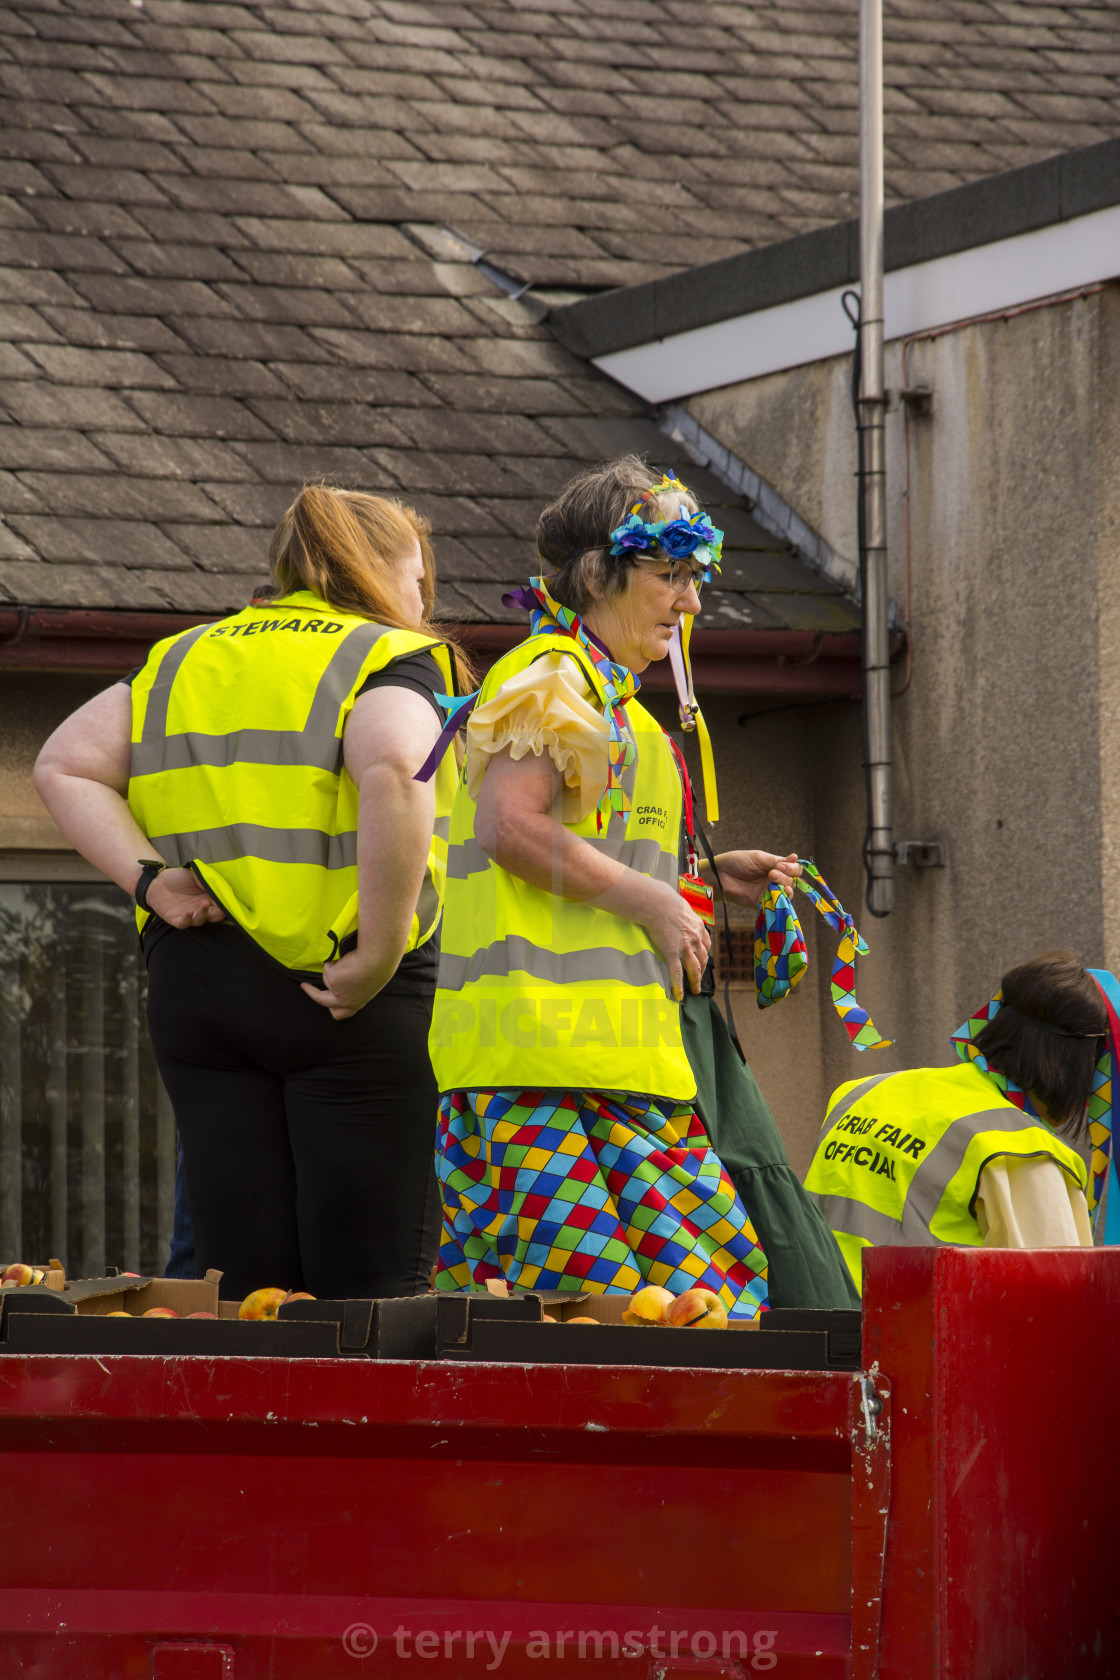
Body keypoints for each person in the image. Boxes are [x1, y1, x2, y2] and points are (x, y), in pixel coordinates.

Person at [427, 455, 857, 1317]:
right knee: (618, 1325)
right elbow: (509, 828)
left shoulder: (613, 702)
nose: (691, 602)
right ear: (599, 574)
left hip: (612, 1065)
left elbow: (587, 850)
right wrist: (655, 900)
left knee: (702, 1308)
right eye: (670, 576)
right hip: (540, 1067)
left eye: (694, 578)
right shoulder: (549, 679)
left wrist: (698, 874)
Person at [34, 485, 468, 1301]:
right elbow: (394, 773)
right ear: (375, 572)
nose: (424, 602)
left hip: (200, 991)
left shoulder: (183, 656)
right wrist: (379, 951)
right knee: (374, 1296)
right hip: (342, 994)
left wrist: (149, 879)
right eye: (419, 580)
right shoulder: (385, 654)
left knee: (247, 1292)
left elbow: (61, 764)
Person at [804, 951, 1115, 1293]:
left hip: (804, 1329)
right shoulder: (1022, 1151)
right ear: (1076, 1059)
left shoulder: (861, 1092)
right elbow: (1055, 1305)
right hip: (911, 1341)